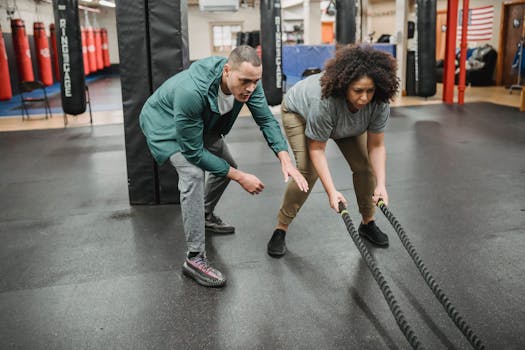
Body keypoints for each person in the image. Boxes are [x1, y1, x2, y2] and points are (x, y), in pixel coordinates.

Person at [139, 45, 308, 287]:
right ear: (227, 71)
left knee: (226, 166)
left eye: (255, 81)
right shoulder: (192, 91)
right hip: (163, 123)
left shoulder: (250, 83)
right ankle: (195, 258)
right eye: (245, 81)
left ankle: (204, 214)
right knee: (193, 173)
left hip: (200, 123)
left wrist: (285, 159)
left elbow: (266, 120)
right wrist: (240, 177)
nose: (250, 88)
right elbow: (194, 152)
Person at [267, 44, 399, 257]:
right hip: (298, 112)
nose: (364, 97)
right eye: (358, 91)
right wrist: (332, 191)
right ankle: (281, 228)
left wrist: (381, 185)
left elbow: (376, 145)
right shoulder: (324, 102)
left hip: (345, 122)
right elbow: (317, 149)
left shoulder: (378, 102)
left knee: (365, 168)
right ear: (344, 86)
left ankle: (368, 223)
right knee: (308, 172)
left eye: (370, 91)